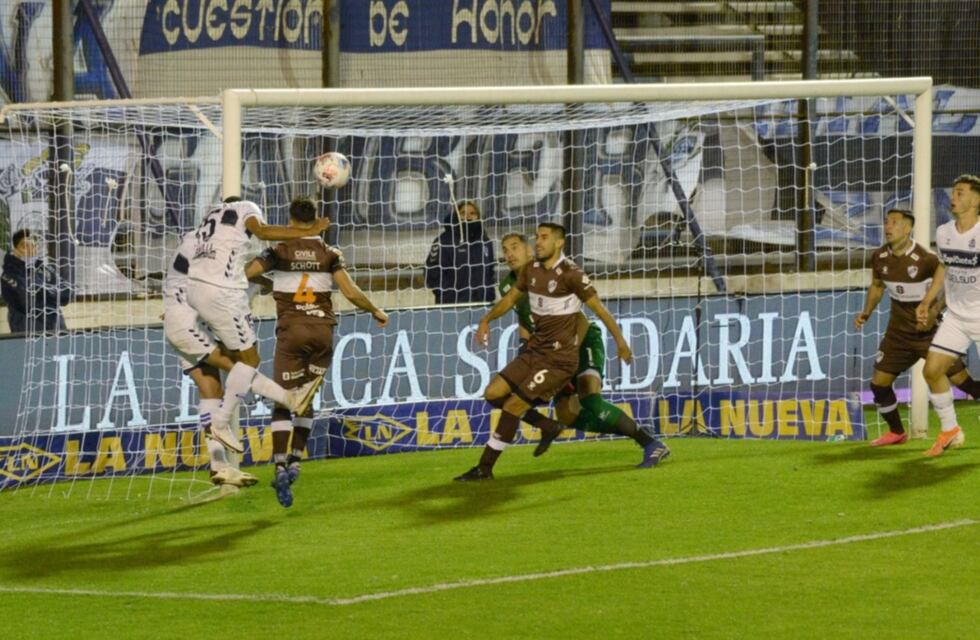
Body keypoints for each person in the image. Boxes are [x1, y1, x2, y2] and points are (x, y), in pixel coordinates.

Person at [455, 222, 666, 481]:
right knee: (565, 414)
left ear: (530, 249)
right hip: (543, 350)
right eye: (505, 249)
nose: (509, 254)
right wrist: (517, 343)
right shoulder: (515, 281)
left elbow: (582, 320)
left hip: (581, 342)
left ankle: (649, 442)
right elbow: (524, 318)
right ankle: (548, 426)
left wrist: (610, 346)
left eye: (515, 247)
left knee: (590, 399)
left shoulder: (568, 274)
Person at [245, 197, 389, 507]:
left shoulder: (278, 250)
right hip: (322, 332)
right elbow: (350, 292)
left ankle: (281, 464)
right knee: (307, 398)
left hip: (292, 331)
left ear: (289, 218)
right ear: (315, 220)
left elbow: (246, 273)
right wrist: (375, 310)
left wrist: (269, 281)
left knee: (285, 399)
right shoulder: (329, 253)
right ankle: (297, 459)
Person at [185, 196, 329, 455]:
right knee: (249, 362)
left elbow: (247, 274)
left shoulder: (204, 237)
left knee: (212, 390)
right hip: (219, 298)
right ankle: (224, 422)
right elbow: (262, 231)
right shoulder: (245, 208)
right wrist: (308, 230)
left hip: (188, 312)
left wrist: (273, 284)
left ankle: (220, 466)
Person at [854, 208, 980, 446]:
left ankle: (952, 429)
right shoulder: (880, 257)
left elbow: (949, 284)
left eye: (894, 222)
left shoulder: (927, 259)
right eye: (886, 222)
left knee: (966, 384)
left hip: (929, 332)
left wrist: (935, 311)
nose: (888, 227)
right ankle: (897, 432)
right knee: (878, 385)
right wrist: (866, 312)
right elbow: (877, 286)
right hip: (898, 334)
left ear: (908, 228)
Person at [916, 174, 980, 456]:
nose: (953, 197)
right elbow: (944, 268)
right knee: (932, 371)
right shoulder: (944, 232)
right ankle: (950, 430)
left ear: (976, 200)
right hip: (956, 317)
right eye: (953, 192)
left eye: (961, 192)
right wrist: (929, 302)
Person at [424, 201, 496, 304]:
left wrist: (489, 294)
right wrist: (449, 297)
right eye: (463, 213)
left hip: (482, 304)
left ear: (478, 216)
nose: (468, 216)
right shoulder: (444, 241)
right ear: (456, 216)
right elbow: (432, 272)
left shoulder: (485, 242)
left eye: (472, 213)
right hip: (452, 306)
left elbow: (490, 271)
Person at [1, 229, 73, 333]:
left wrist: (44, 292)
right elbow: (25, 302)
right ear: (15, 250)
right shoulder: (8, 275)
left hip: (57, 332)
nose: (31, 250)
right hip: (28, 336)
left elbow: (67, 293)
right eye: (25, 246)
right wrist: (53, 295)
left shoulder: (46, 269)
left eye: (33, 246)